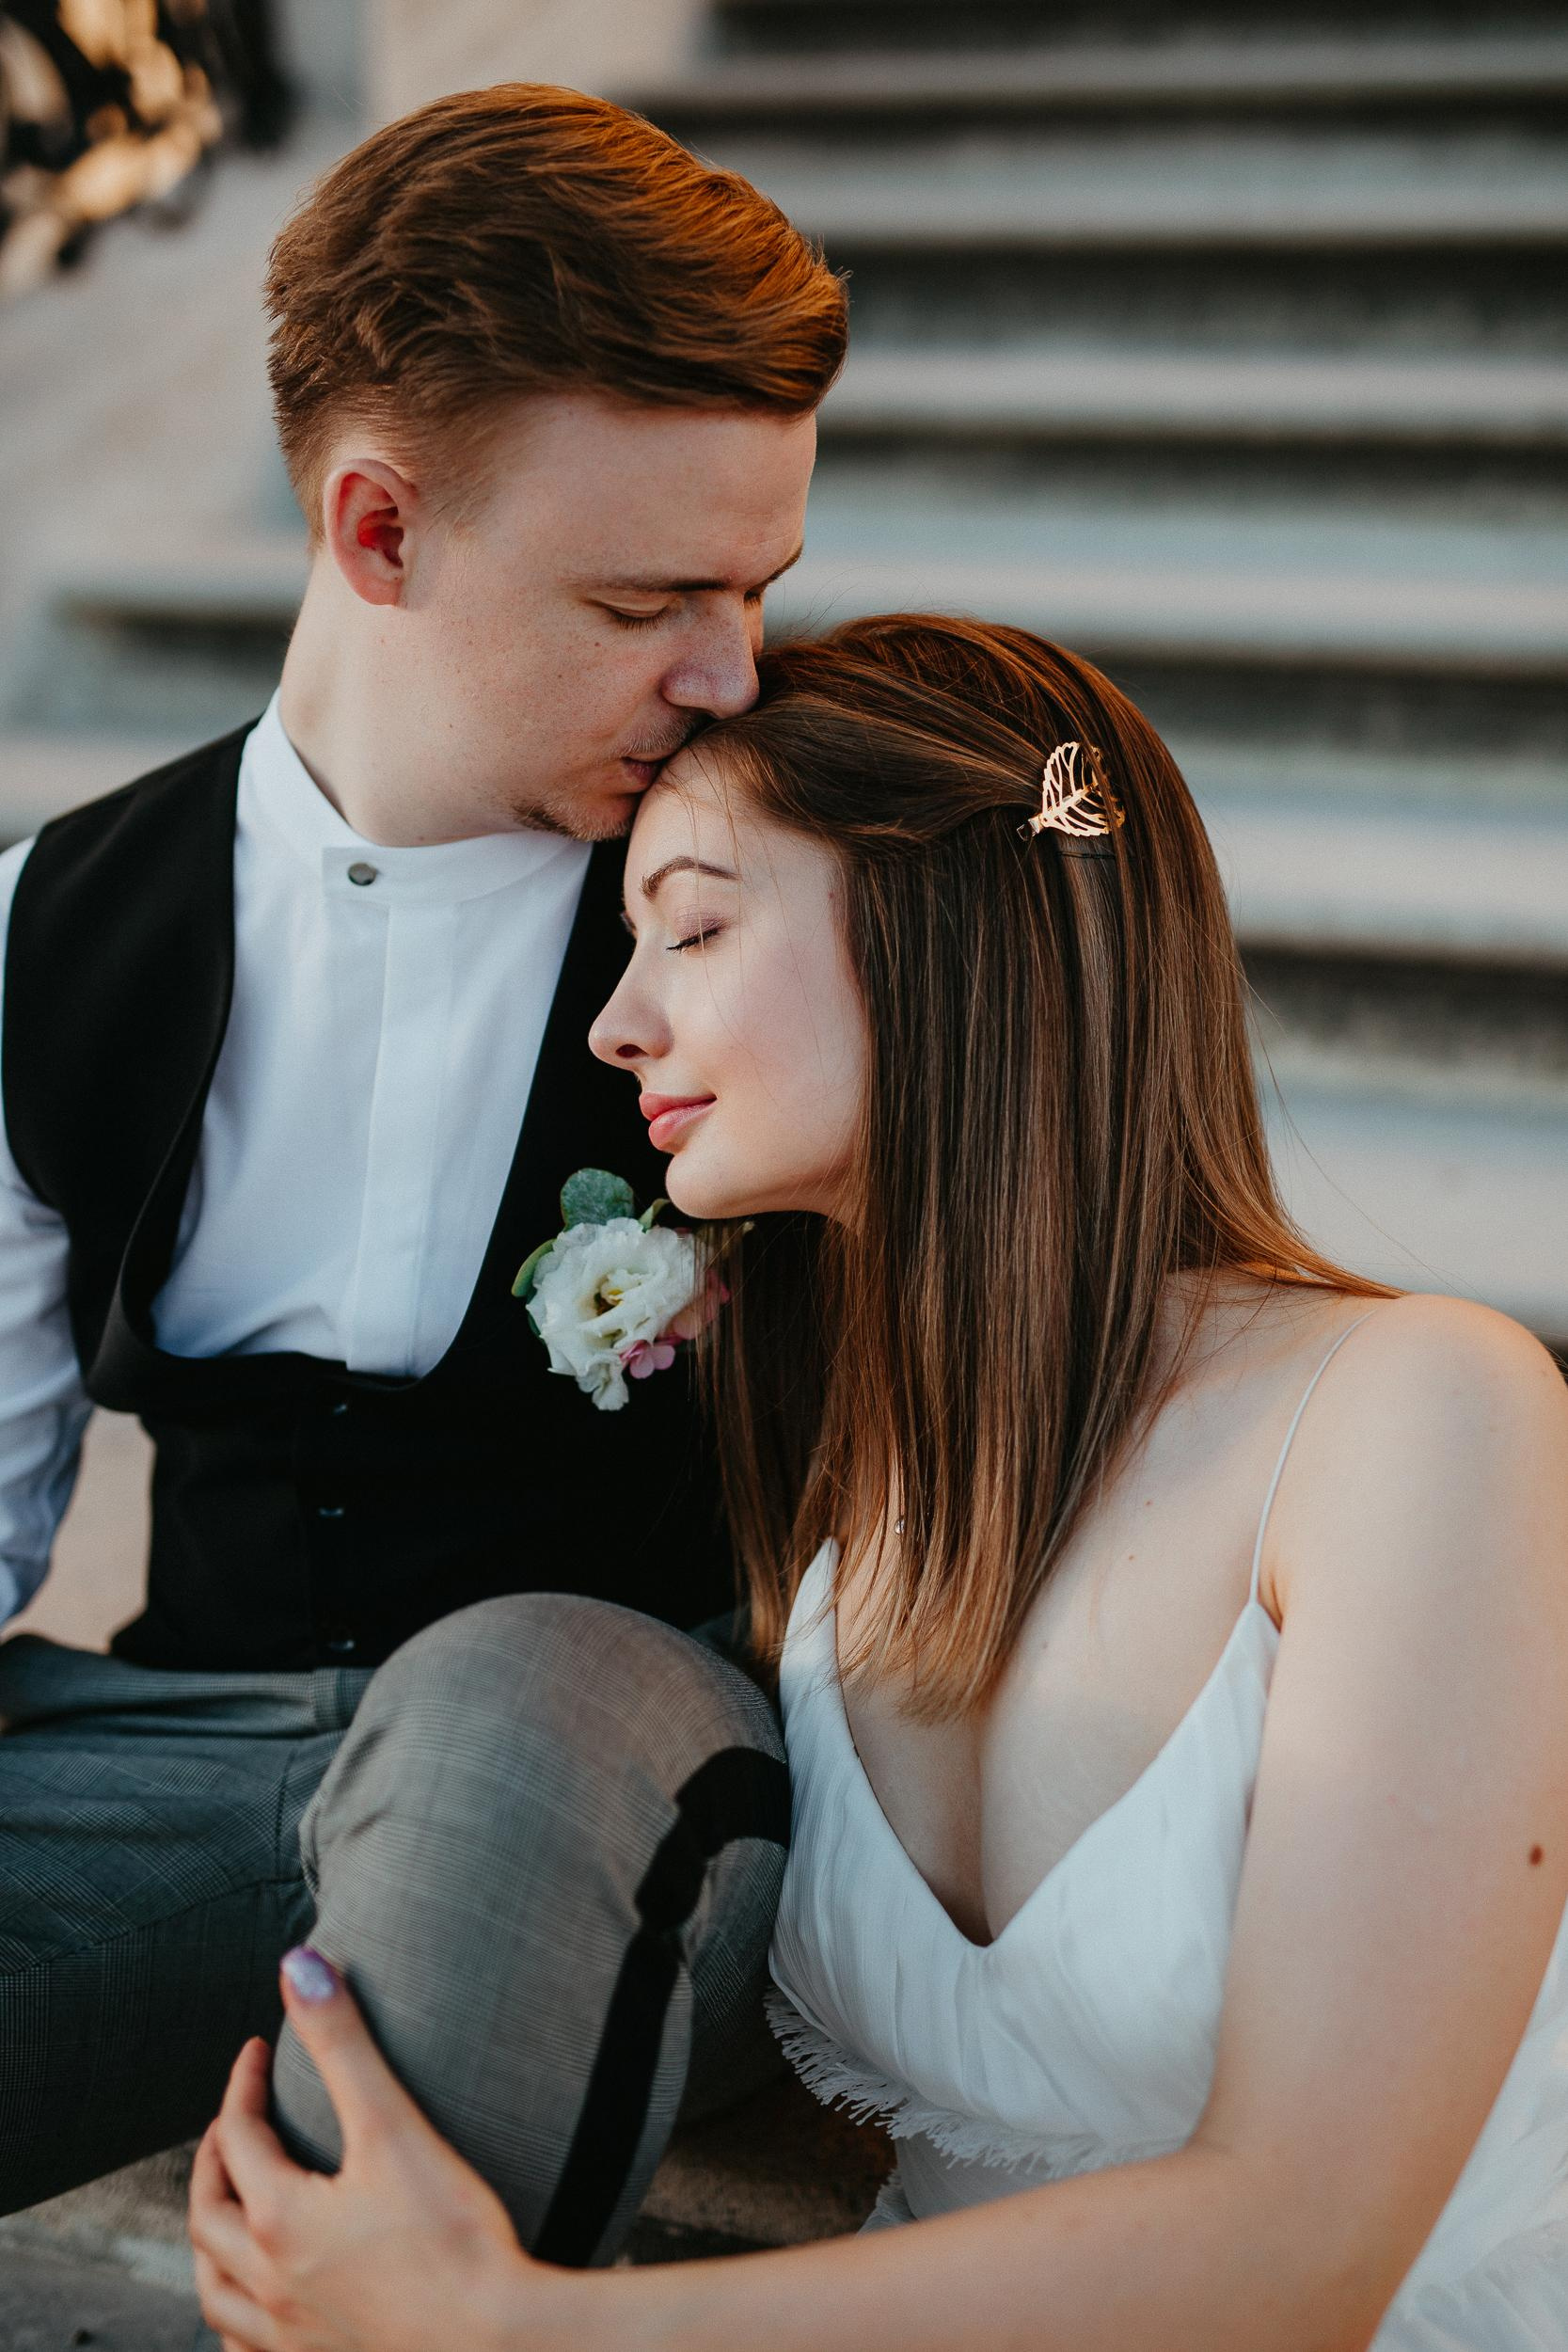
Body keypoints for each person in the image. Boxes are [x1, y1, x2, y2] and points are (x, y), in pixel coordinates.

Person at [191, 615, 1568, 2350]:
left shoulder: (1416, 1415)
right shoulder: (848, 1509)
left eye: (689, 922)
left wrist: (514, 2329)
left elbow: (1303, 2249)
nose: (618, 1024)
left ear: (953, 923)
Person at [0, 82, 847, 2260]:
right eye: (651, 594)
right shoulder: (45, 931)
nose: (731, 671)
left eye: (759, 585)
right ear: (378, 532)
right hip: (162, 1738)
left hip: (600, 1735)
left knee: (511, 1714)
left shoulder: (830, 881)